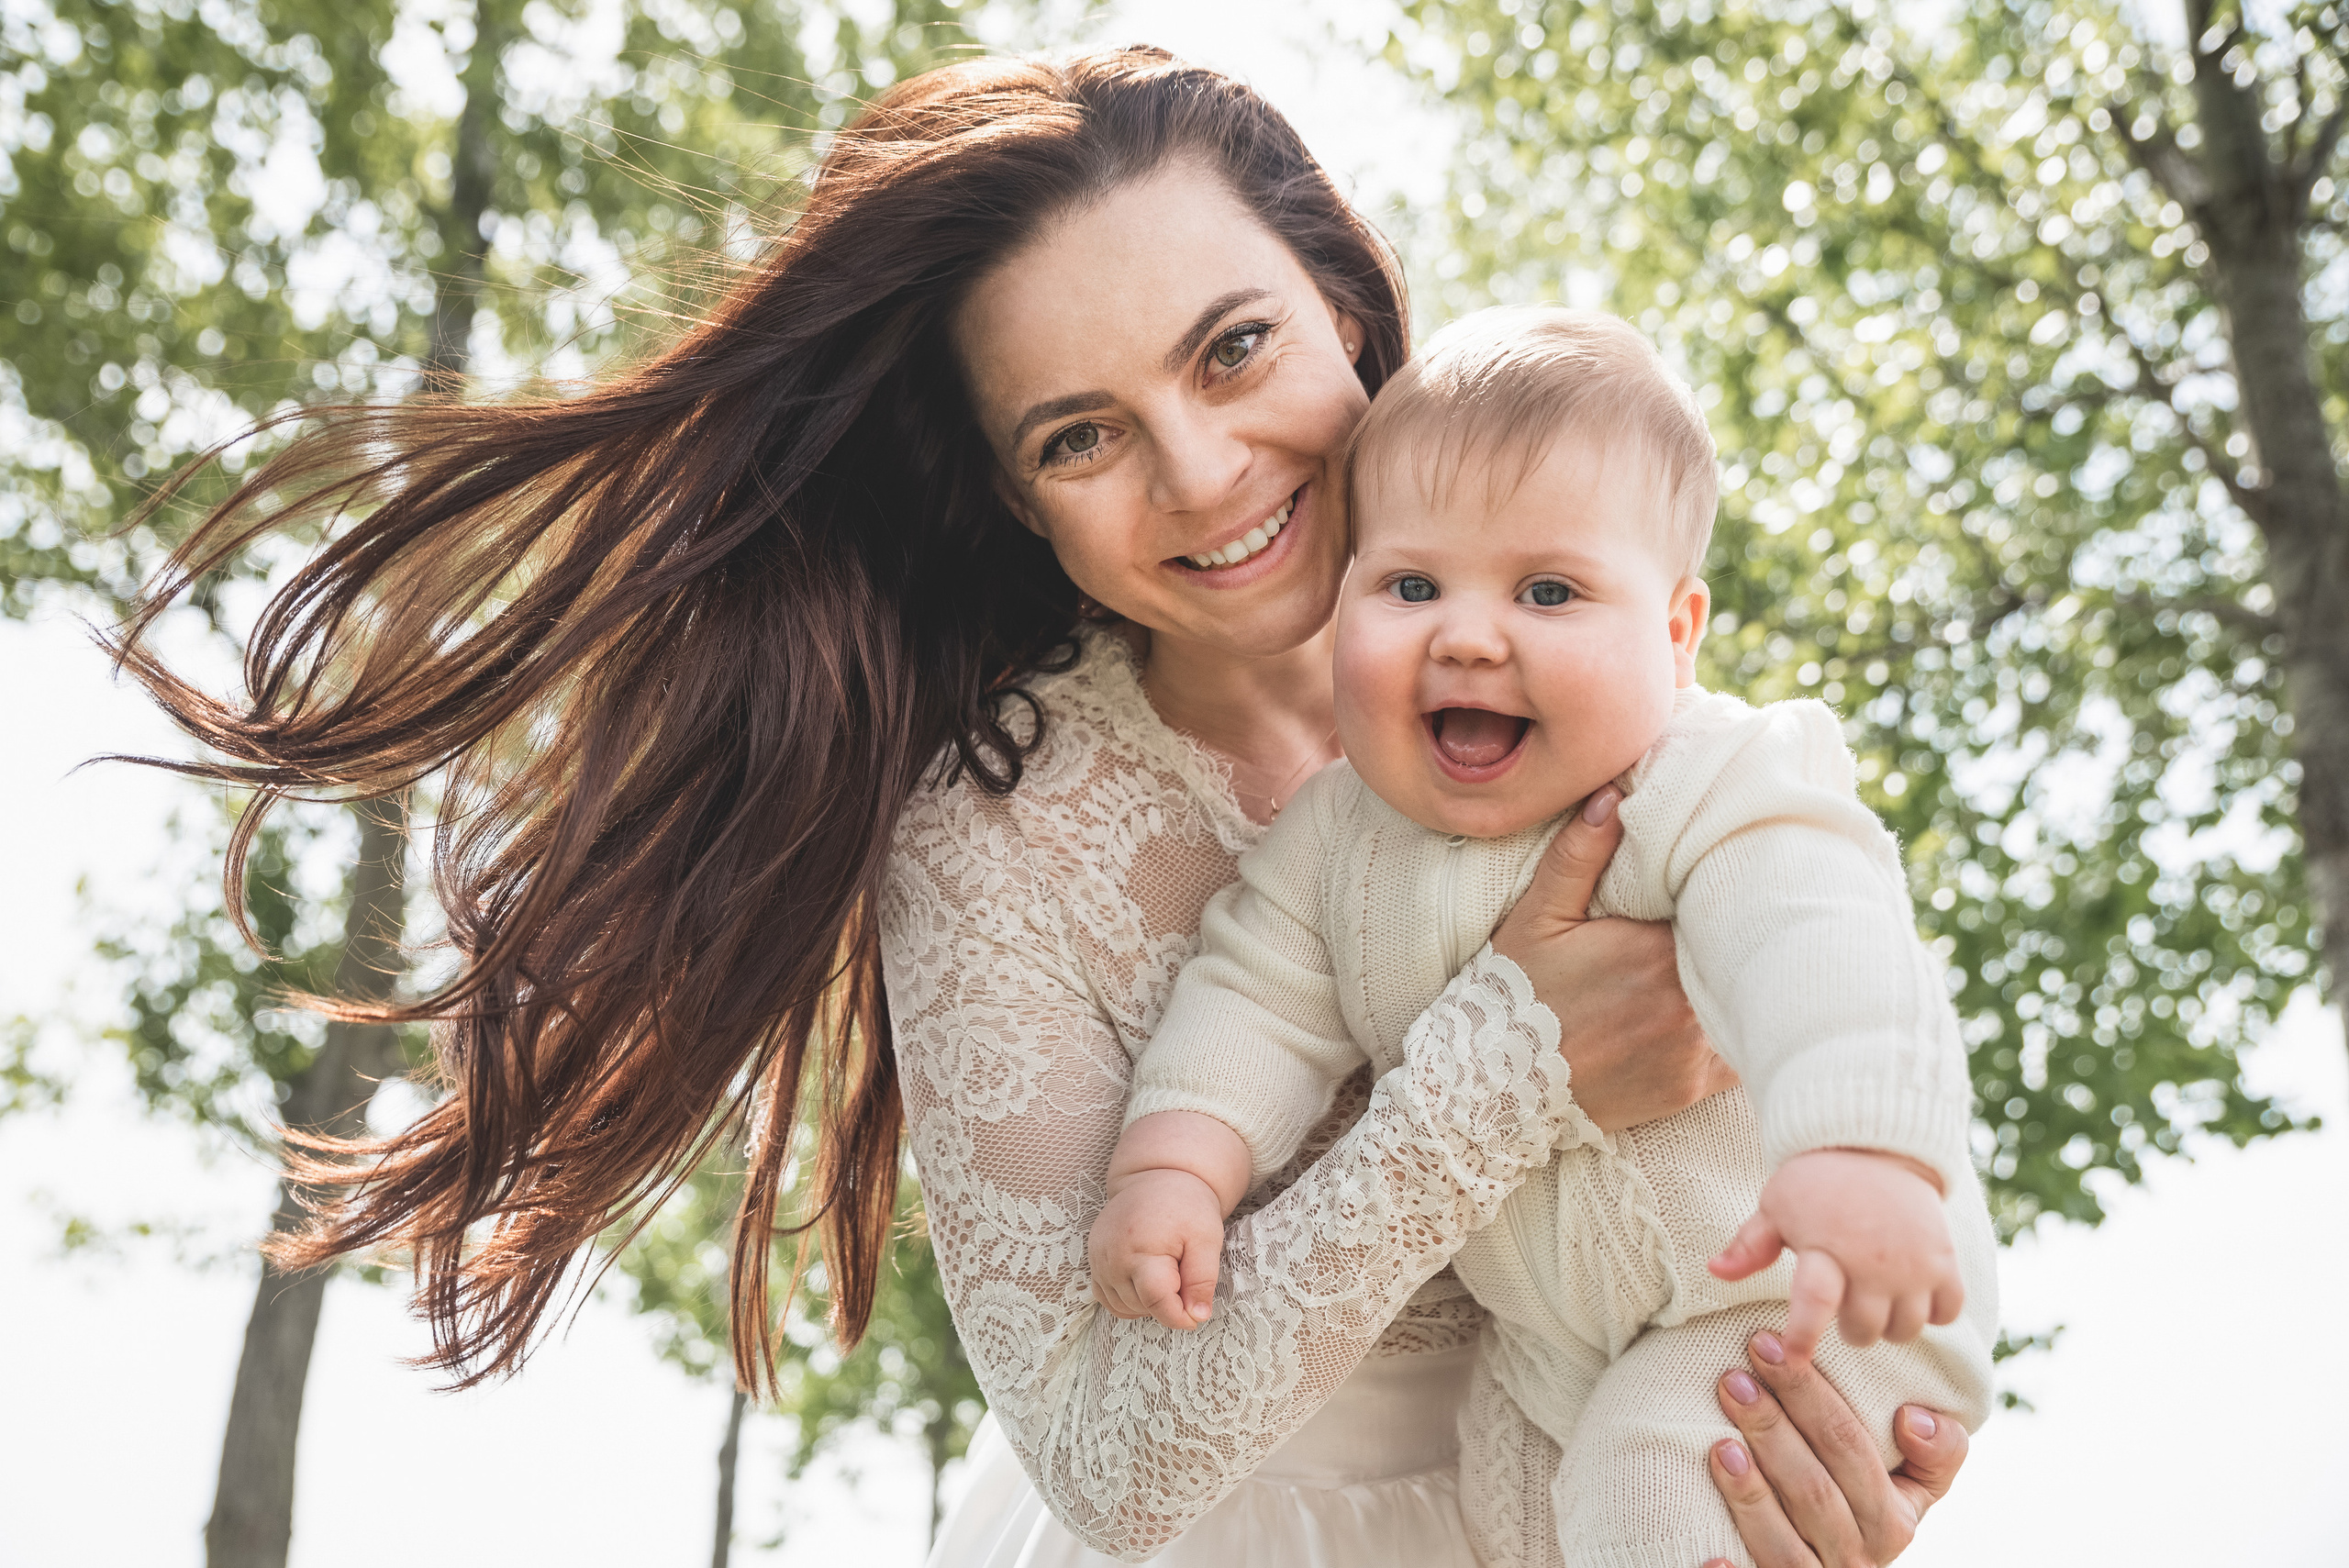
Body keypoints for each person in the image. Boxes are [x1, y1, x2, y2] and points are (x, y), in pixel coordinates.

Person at [111, 47, 1973, 1568]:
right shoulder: (999, 840)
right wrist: (1509, 1062)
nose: (1198, 470)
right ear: (1019, 505)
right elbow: (1111, 1462)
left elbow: (1836, 1015)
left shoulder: (1579, 620)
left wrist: (1839, 1430)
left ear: (1340, 309)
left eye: (1232, 349)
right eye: (1078, 435)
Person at [1086, 307, 1999, 1566]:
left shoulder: (1698, 776)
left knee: (1648, 1481)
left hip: (1808, 1288)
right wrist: (1175, 1166)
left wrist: (1858, 1147)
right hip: (1554, 1353)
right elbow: (1255, 994)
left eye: (1549, 591)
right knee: (1507, 1519)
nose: (1468, 632)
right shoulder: (1337, 837)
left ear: (1676, 637)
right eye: (1411, 585)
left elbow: (1817, 925)